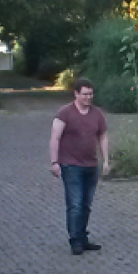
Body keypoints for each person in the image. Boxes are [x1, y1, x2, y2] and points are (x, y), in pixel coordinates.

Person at [50, 78, 110, 256]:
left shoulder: (97, 114)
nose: (88, 98)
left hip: (91, 165)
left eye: (90, 94)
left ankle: (83, 237)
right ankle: (75, 240)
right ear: (76, 94)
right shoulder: (65, 113)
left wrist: (106, 160)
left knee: (85, 205)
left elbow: (103, 137)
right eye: (84, 94)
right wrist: (54, 162)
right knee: (74, 204)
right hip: (71, 165)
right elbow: (55, 137)